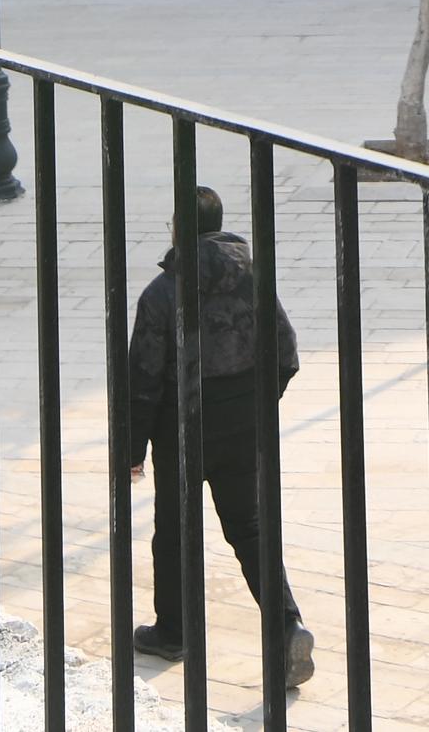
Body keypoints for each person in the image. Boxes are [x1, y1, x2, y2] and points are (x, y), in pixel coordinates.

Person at [115, 186, 308, 689]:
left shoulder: (163, 293)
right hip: (243, 426)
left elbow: (143, 380)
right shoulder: (254, 277)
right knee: (250, 529)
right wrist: (254, 407)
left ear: (180, 229)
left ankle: (174, 632)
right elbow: (285, 353)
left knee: (175, 531)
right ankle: (287, 625)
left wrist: (132, 452)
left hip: (183, 429)